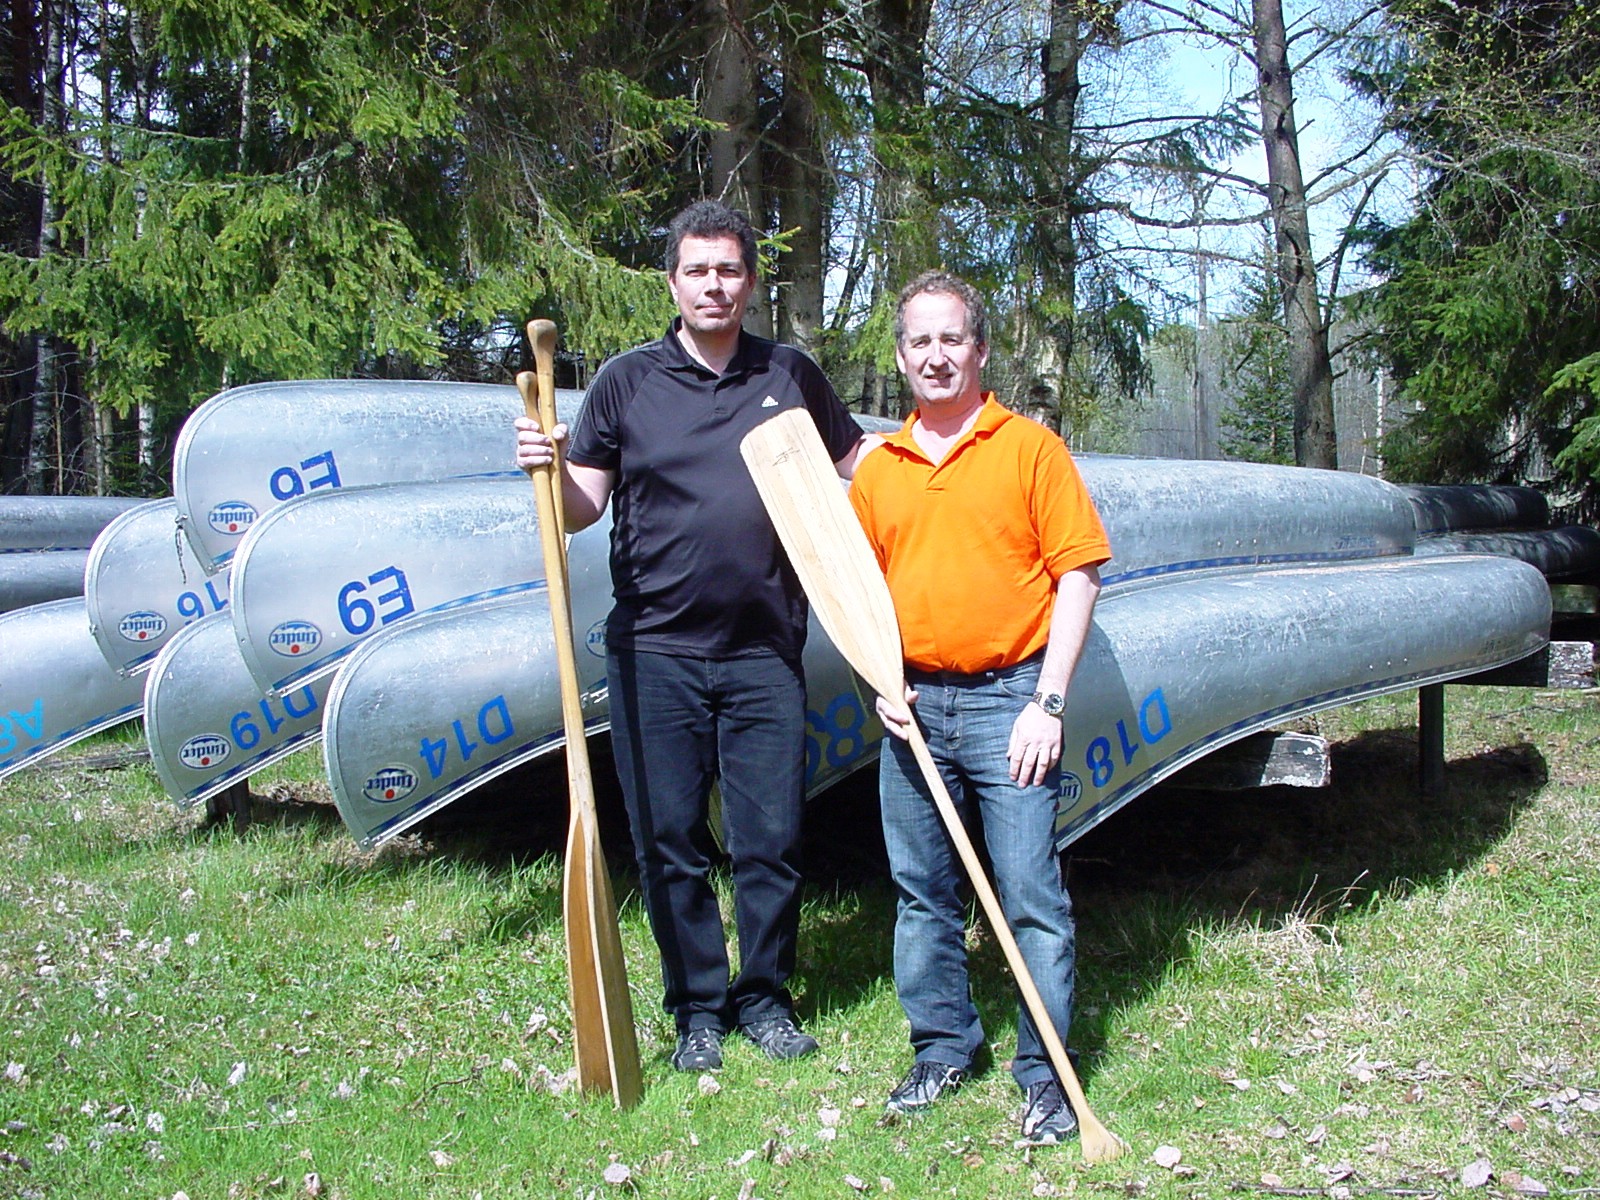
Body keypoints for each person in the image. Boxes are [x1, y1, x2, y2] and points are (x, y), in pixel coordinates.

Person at [514, 200, 876, 1074]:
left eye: (730, 269)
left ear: (750, 281)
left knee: (770, 840)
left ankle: (765, 999)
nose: (715, 285)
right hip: (654, 653)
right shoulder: (627, 382)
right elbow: (579, 508)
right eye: (698, 270)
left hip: (765, 652)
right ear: (673, 282)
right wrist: (545, 469)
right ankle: (698, 1011)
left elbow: (860, 468)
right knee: (669, 842)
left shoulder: (790, 374)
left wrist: (947, 467)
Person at [847, 270, 1110, 1144]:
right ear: (900, 357)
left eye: (951, 338)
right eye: (919, 341)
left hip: (1011, 702)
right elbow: (853, 594)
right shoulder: (879, 472)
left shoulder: (1030, 449)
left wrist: (1048, 702)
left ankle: (1047, 1077)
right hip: (914, 706)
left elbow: (1079, 575)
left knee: (1029, 891)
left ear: (981, 350)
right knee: (922, 892)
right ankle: (942, 1049)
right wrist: (878, 683)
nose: (936, 355)